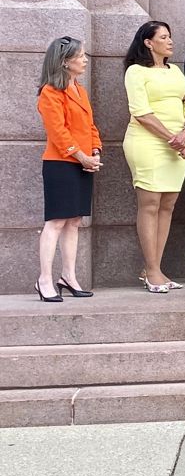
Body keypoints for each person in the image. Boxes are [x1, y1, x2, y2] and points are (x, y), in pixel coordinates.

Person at [123, 21, 185, 293]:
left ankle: (155, 267)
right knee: (150, 203)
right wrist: (174, 139)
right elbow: (141, 113)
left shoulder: (175, 71)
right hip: (147, 143)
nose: (170, 41)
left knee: (168, 204)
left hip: (178, 143)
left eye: (170, 36)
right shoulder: (136, 71)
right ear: (148, 42)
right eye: (163, 37)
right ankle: (152, 270)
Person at [35, 37, 101, 302]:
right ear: (65, 61)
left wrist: (95, 151)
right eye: (81, 56)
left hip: (83, 163)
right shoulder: (50, 92)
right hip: (61, 164)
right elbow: (58, 132)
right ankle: (44, 280)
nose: (85, 59)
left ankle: (68, 276)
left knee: (74, 222)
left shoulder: (79, 90)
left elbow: (90, 126)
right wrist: (82, 156)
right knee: (56, 222)